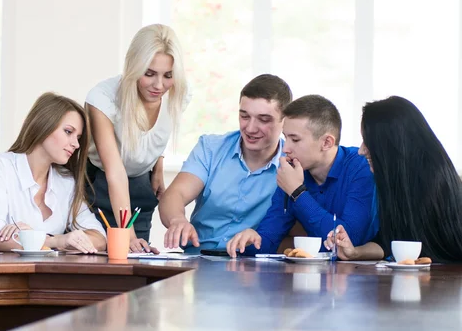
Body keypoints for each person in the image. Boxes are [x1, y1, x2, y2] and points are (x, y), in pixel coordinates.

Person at [227, 95, 374, 257]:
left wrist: (298, 192)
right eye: (286, 138)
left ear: (326, 143)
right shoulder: (293, 171)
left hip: (361, 276)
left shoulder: (361, 166)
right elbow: (269, 239)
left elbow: (350, 241)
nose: (285, 149)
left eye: (295, 140)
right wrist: (251, 240)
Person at [85, 24, 190, 253]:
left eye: (168, 75)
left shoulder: (179, 94)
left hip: (140, 184)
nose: (159, 85)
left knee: (137, 260)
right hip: (98, 184)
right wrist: (127, 235)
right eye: (149, 74)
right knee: (97, 259)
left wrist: (158, 164)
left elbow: (158, 133)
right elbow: (115, 171)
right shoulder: (103, 98)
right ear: (133, 67)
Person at [159, 74, 293, 253]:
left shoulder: (293, 167)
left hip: (252, 267)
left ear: (285, 121)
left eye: (263, 119)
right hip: (198, 261)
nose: (250, 128)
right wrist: (177, 220)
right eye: (244, 116)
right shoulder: (210, 149)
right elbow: (174, 195)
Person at [324, 96, 462, 263]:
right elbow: (387, 241)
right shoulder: (394, 182)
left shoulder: (435, 184)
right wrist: (354, 252)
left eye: (368, 141)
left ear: (389, 142)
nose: (361, 151)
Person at [0, 93, 106, 253]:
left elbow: (99, 238)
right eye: (68, 132)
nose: (76, 144)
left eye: (78, 137)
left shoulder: (66, 180)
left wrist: (33, 239)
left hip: (51, 274)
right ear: (43, 125)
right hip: (7, 274)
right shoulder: (1, 166)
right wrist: (55, 240)